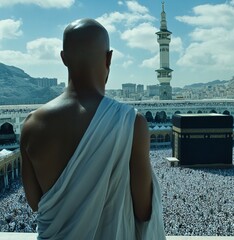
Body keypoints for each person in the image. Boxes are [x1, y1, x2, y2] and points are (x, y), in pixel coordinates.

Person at [20, 18, 166, 239]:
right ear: (109, 58)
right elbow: (145, 210)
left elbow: (35, 203)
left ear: (63, 58)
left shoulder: (31, 125)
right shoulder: (130, 123)